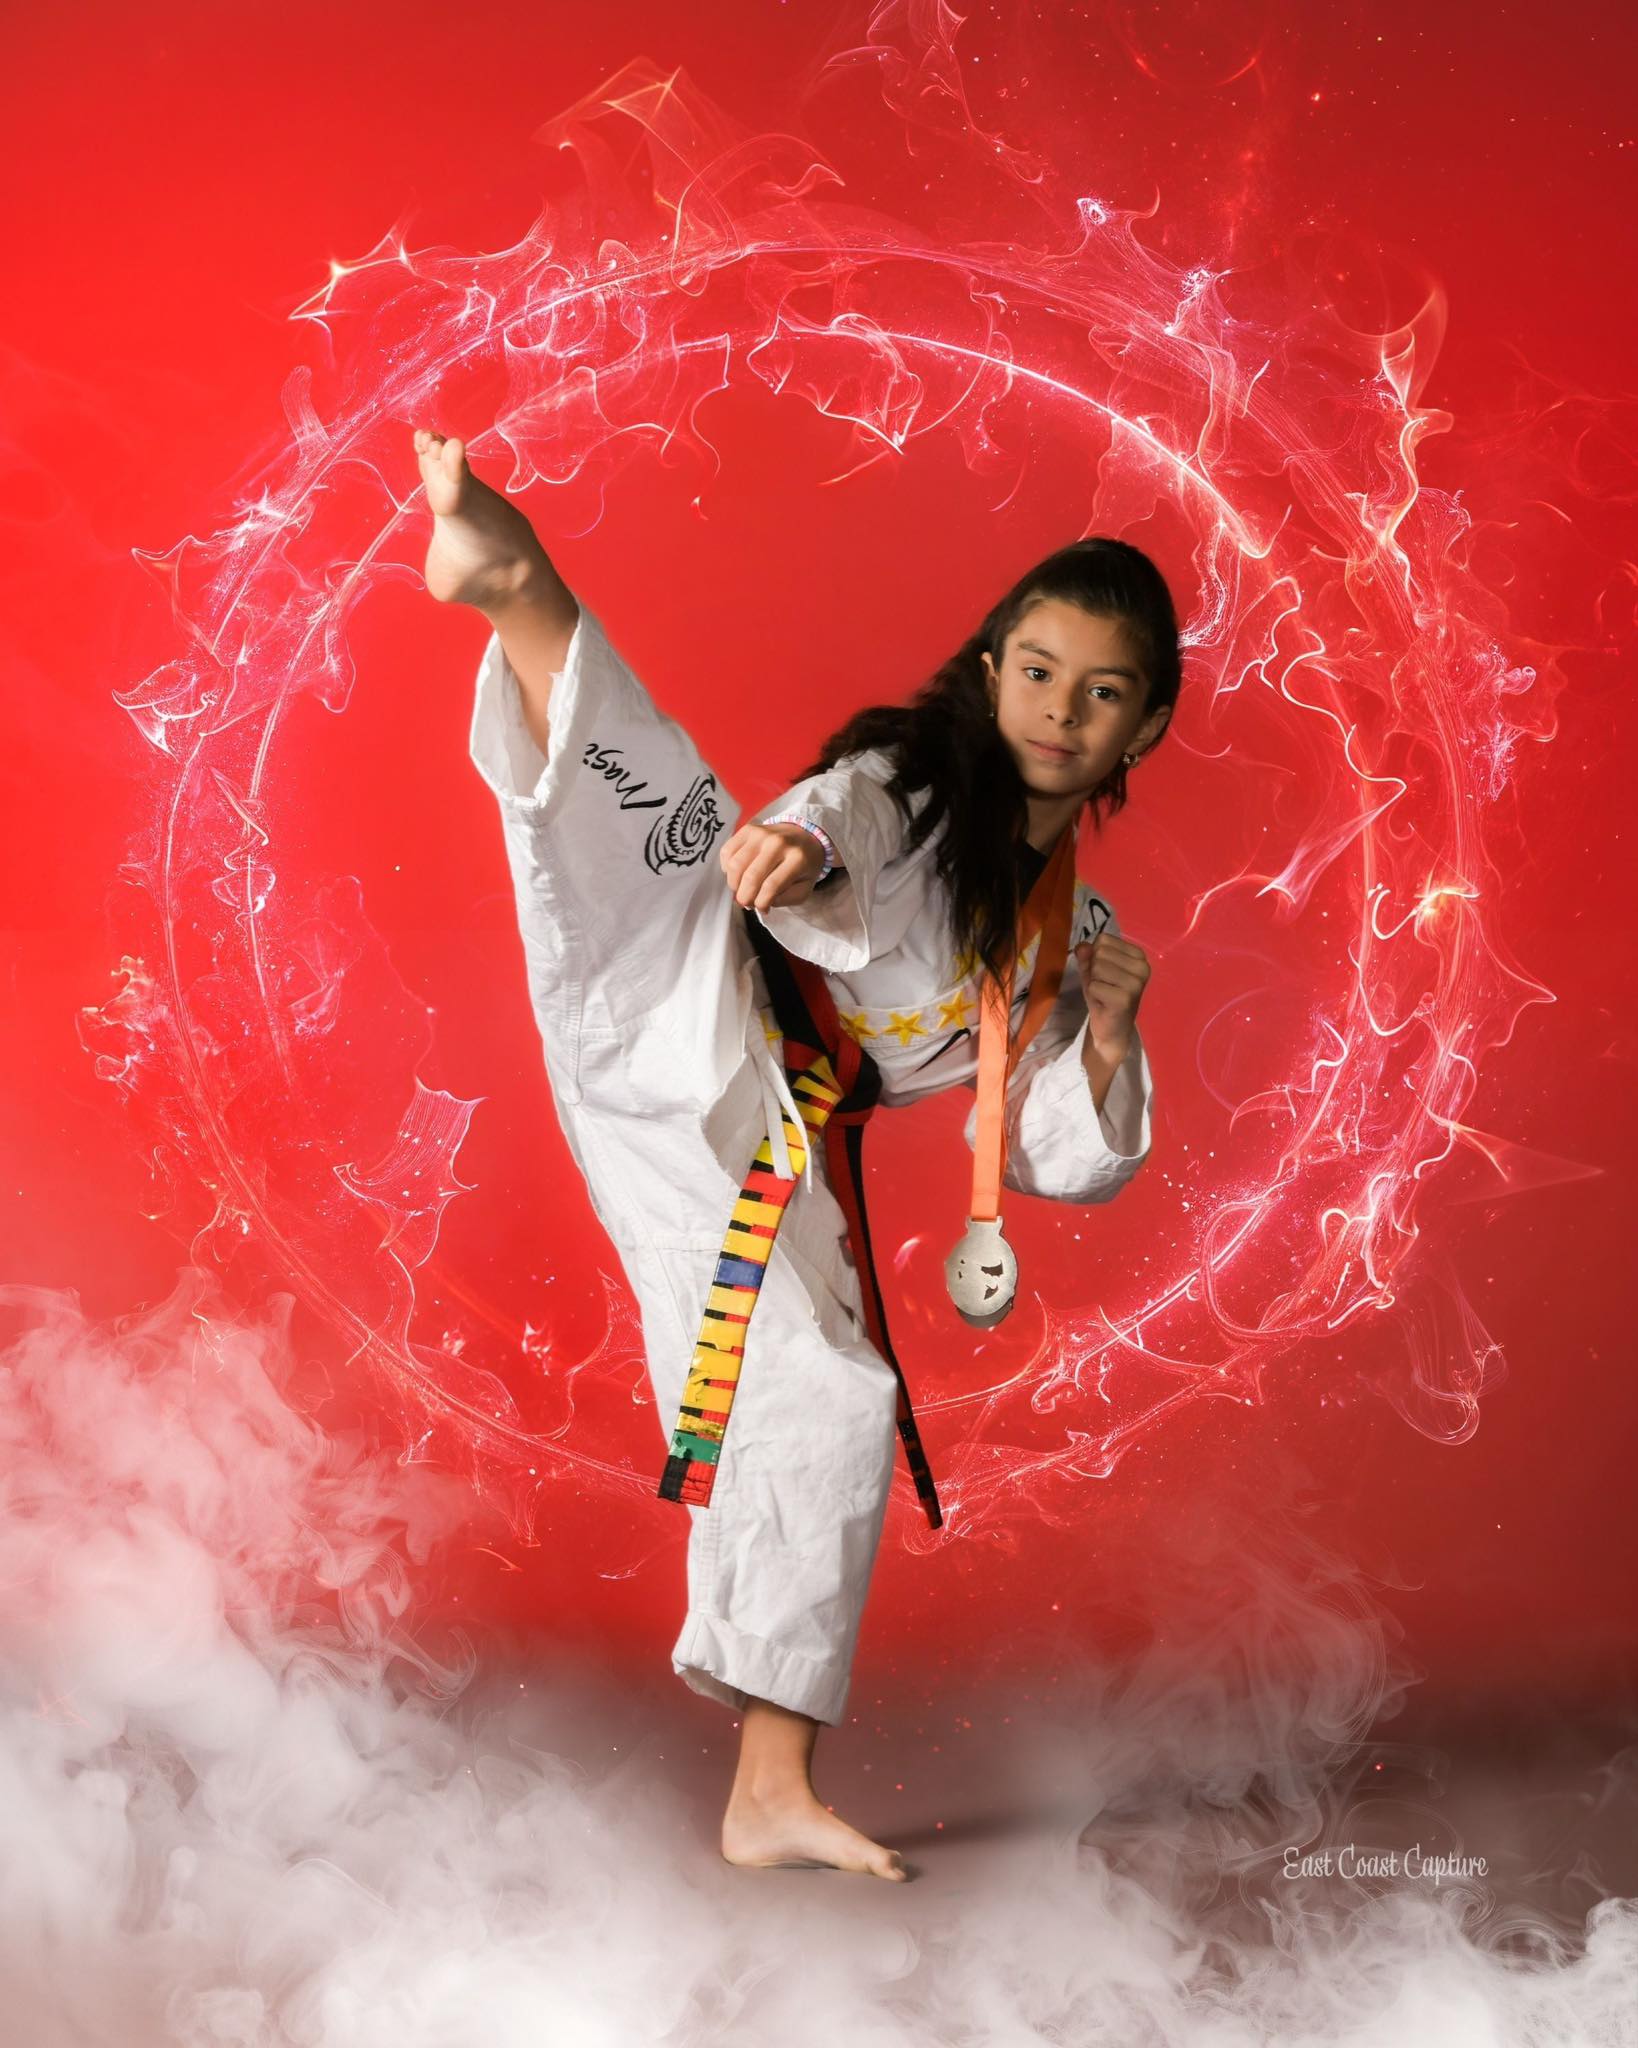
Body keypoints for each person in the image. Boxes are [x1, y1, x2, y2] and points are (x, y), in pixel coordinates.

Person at [415, 426, 1178, 1879]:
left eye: (1101, 693)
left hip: (763, 1125)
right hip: (704, 983)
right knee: (675, 812)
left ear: (1140, 729)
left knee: (827, 1396)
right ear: (990, 665)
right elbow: (849, 816)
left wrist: (1110, 1041)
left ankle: (769, 1789)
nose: (1059, 710)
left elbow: (1053, 1161)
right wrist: (802, 851)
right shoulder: (913, 776)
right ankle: (515, 583)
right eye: (1035, 669)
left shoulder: (1069, 937)